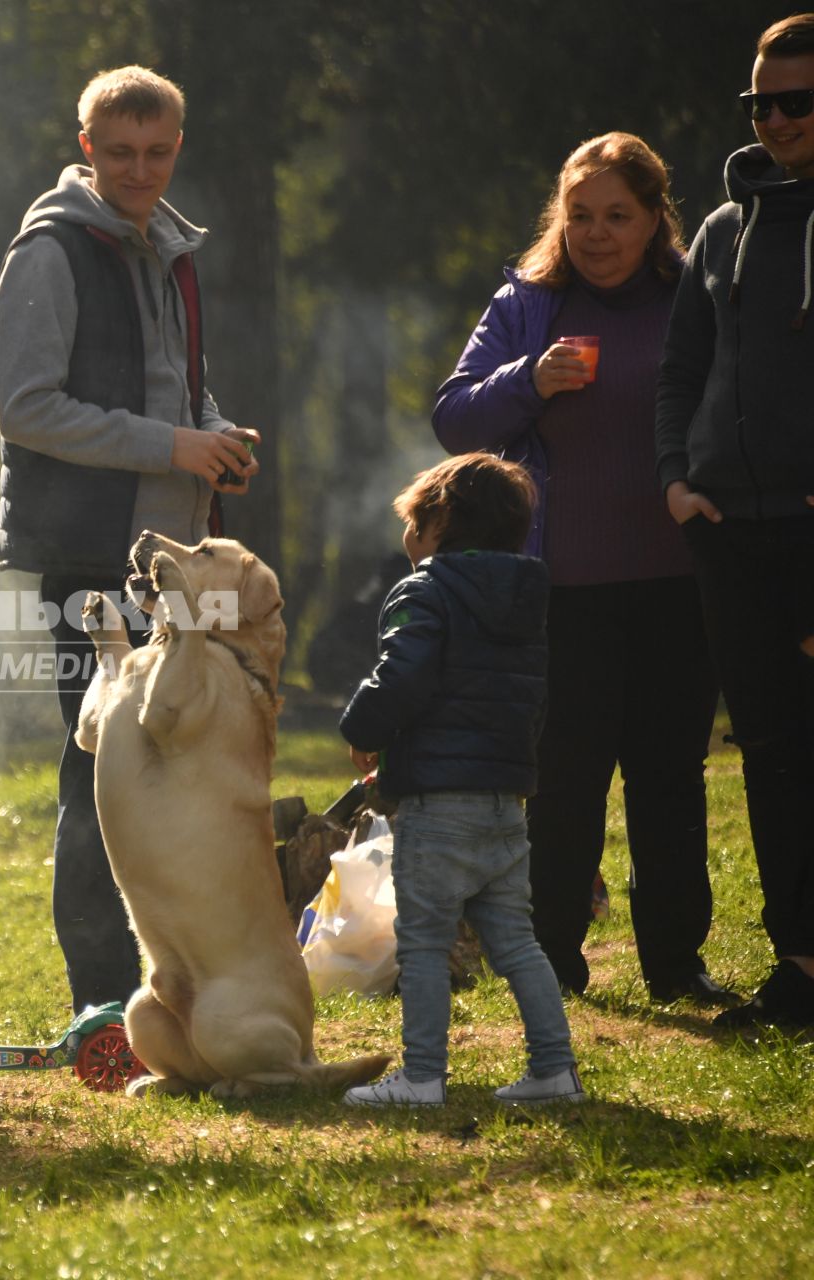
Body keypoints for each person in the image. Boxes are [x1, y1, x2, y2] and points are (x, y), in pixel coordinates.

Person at [432, 133, 730, 1006]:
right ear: (558, 220)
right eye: (579, 216)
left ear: (653, 220)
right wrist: (529, 381)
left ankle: (677, 964)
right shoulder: (529, 305)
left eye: (617, 217)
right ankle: (554, 961)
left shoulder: (695, 295)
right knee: (565, 780)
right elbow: (454, 418)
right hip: (559, 586)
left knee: (670, 778)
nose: (596, 235)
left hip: (679, 579)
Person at [0, 65, 259, 1015]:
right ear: (85, 149)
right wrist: (174, 443)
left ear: (176, 148)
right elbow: (26, 411)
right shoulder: (50, 253)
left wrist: (215, 436)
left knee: (178, 773)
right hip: (87, 562)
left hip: (174, 561)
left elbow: (175, 391)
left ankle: (172, 984)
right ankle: (99, 1004)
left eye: (155, 153)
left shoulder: (173, 248)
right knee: (99, 775)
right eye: (118, 153)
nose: (138, 170)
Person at [656, 13, 814, 1031]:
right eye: (762, 102)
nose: (777, 121)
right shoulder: (723, 228)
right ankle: (797, 964)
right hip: (730, 529)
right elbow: (681, 371)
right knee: (768, 747)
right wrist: (678, 480)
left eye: (796, 102)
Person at [340, 454, 583, 1106]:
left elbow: (402, 677)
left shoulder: (425, 592)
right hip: (505, 801)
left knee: (422, 943)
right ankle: (555, 1070)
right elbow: (530, 698)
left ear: (438, 520)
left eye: (412, 520)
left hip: (438, 806)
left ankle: (421, 1078)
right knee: (518, 943)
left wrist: (363, 726)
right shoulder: (528, 597)